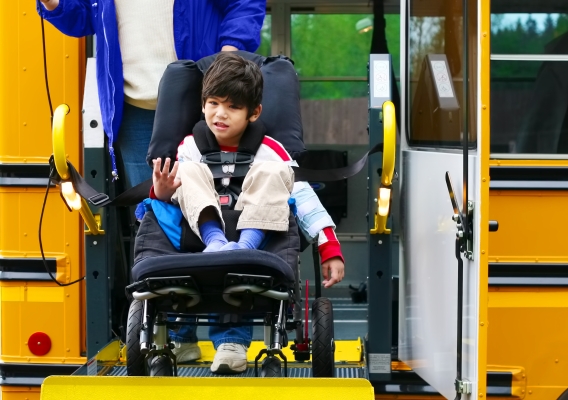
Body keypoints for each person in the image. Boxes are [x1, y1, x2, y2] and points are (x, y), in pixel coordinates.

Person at [150, 52, 346, 374]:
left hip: (254, 239)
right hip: (202, 237)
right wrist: (162, 190)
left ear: (254, 113)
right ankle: (182, 336)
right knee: (189, 171)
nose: (220, 114)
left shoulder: (270, 150)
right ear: (202, 105)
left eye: (233, 107)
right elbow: (171, 197)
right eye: (213, 103)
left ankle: (232, 336)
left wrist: (329, 246)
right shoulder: (190, 147)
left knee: (275, 173)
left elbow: (304, 198)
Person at [37, 0, 266, 189]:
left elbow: (244, 4)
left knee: (217, 201)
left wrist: (225, 62)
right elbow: (83, 18)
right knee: (152, 213)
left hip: (205, 103)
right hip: (136, 109)